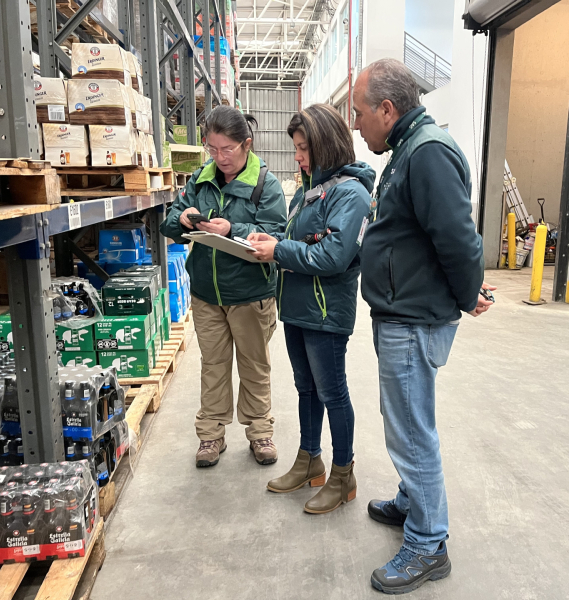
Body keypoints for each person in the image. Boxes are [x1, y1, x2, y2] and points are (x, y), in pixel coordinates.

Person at [352, 59, 494, 594]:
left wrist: (467, 293)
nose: (356, 125)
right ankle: (414, 500)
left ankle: (429, 544)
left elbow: (457, 238)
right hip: (402, 311)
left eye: (360, 113)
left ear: (387, 110)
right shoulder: (407, 148)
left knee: (411, 432)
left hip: (413, 319)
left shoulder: (426, 151)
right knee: (406, 420)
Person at [248, 104, 376, 514]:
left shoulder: (351, 193)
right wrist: (268, 243)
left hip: (325, 312)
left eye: (304, 148)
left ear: (325, 144)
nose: (298, 157)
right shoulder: (311, 191)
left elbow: (334, 255)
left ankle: (343, 474)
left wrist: (280, 250)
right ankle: (309, 460)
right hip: (298, 307)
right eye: (297, 148)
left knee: (332, 392)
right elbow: (301, 242)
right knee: (306, 388)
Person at [160, 105, 287, 468]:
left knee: (254, 366)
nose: (219, 157)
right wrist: (183, 219)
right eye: (212, 149)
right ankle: (211, 435)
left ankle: (260, 431)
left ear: (246, 144)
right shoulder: (201, 179)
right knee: (213, 365)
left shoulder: (265, 184)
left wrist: (233, 229)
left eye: (227, 149)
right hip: (207, 293)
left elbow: (276, 236)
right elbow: (170, 222)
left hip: (250, 294)